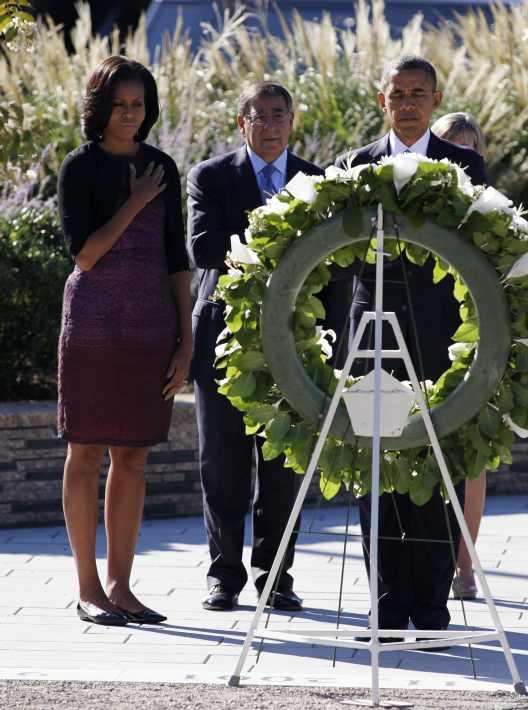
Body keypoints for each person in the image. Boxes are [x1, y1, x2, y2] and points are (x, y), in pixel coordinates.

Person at [336, 56, 487, 639]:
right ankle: (386, 605)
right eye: (396, 93)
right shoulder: (353, 167)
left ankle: (432, 605)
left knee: (437, 468)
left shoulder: (464, 165)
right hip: (372, 340)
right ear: (382, 101)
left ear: (435, 97)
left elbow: (483, 247)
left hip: (441, 340)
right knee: (376, 466)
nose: (407, 103)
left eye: (418, 93)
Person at [57, 56, 191, 626]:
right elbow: (85, 253)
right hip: (91, 326)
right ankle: (88, 587)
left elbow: (176, 259)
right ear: (101, 107)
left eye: (138, 104)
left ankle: (122, 587)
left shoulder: (162, 164)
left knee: (133, 457)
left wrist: (185, 340)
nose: (131, 115)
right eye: (120, 105)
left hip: (149, 329)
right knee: (85, 452)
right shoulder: (79, 167)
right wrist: (136, 200)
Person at [187, 81, 324, 612]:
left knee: (283, 468)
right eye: (257, 115)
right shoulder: (212, 176)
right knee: (220, 465)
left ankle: (276, 577)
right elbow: (204, 248)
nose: (269, 125)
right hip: (222, 340)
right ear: (240, 122)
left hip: (294, 345)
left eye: (278, 115)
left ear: (293, 121)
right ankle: (224, 576)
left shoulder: (317, 181)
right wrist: (281, 237)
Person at [432, 111, 487, 600]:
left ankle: (464, 566)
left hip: (472, 332)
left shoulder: (491, 213)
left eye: (471, 152)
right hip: (424, 326)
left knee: (471, 460)